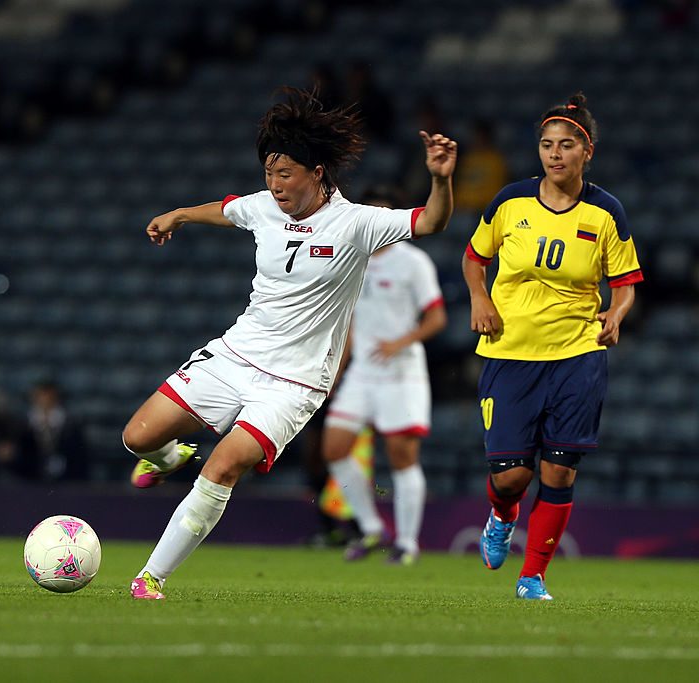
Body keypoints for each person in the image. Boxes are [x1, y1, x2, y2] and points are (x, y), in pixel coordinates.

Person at [121, 87, 457, 600]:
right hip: (236, 354)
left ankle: (150, 577)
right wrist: (181, 214)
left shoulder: (358, 223)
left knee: (223, 466)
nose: (274, 185)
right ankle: (170, 457)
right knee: (138, 437)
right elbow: (228, 208)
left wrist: (439, 179)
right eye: (269, 173)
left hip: (294, 383)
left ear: (317, 171)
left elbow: (431, 221)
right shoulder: (263, 207)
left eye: (285, 174)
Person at [463, 93, 642, 600]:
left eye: (566, 145)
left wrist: (616, 312)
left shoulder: (607, 212)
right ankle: (501, 515)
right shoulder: (510, 202)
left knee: (558, 469)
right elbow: (474, 259)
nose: (554, 154)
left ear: (587, 152)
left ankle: (533, 576)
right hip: (510, 352)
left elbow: (625, 282)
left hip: (577, 354)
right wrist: (479, 298)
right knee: (513, 478)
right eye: (546, 145)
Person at [321, 185, 447, 566]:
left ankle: (407, 543)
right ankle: (372, 527)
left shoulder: (413, 262)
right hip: (362, 372)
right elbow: (349, 326)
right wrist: (334, 373)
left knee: (402, 458)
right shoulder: (351, 260)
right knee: (334, 447)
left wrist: (400, 342)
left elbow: (437, 317)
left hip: (401, 372)